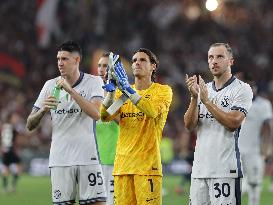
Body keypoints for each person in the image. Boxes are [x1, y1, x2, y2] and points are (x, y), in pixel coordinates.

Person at [26, 41, 106, 205]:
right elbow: (29, 124)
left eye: (64, 59)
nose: (60, 63)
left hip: (88, 158)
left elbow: (97, 114)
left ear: (77, 60)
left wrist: (71, 91)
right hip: (59, 160)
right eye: (58, 59)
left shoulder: (94, 82)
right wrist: (43, 111)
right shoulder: (50, 85)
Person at [100, 48, 173, 205]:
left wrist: (127, 88)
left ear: (153, 66)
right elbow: (105, 116)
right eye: (134, 60)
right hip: (122, 167)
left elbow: (151, 111)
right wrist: (111, 93)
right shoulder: (123, 95)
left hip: (147, 168)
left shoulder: (163, 91)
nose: (136, 63)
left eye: (142, 60)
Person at [184, 43, 253, 205]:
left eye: (220, 56)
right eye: (211, 57)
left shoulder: (242, 89)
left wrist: (207, 102)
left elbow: (233, 123)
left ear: (231, 61)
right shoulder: (203, 90)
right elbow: (189, 126)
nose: (214, 61)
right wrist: (194, 99)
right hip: (200, 170)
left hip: (225, 171)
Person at [237, 72, 273, 205]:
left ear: (255, 87)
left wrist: (266, 149)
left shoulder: (263, 105)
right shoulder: (235, 103)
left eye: (252, 86)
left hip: (255, 151)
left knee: (254, 183)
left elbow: (267, 128)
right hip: (235, 150)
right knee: (233, 183)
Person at [96, 52, 119, 205]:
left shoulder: (122, 94)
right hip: (94, 161)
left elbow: (121, 121)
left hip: (114, 159)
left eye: (105, 66)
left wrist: (109, 97)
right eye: (99, 65)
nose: (101, 69)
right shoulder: (92, 94)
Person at [1, 112, 22, 193]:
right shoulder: (11, 127)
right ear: (10, 118)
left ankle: (5, 188)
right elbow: (13, 139)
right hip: (9, 149)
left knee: (6, 168)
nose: (16, 119)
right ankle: (13, 187)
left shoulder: (4, 126)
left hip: (5, 150)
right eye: (14, 117)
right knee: (19, 166)